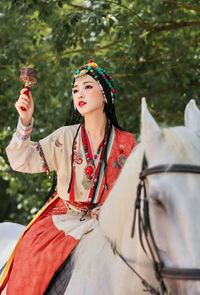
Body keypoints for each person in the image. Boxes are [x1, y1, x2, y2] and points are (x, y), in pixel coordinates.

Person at [0, 60, 136, 294]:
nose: (79, 94)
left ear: (105, 95)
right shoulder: (65, 137)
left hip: (111, 226)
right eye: (75, 89)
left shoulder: (128, 143)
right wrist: (24, 120)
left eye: (87, 87)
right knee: (32, 255)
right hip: (65, 221)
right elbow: (22, 160)